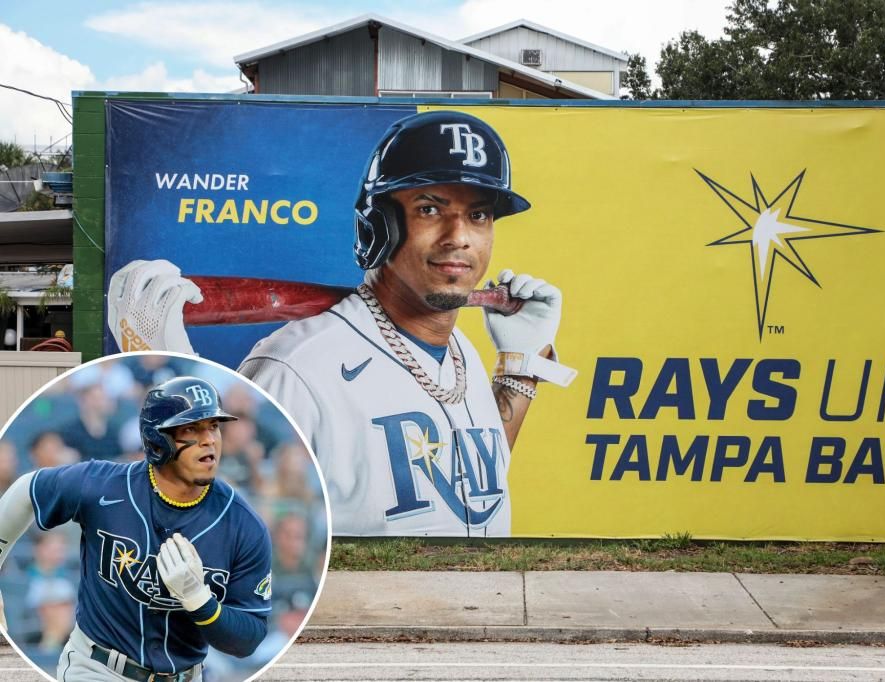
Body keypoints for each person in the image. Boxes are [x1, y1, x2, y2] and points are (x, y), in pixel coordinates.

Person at [107, 110, 575, 536]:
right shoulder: (299, 370)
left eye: (478, 215)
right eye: (430, 209)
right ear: (378, 226)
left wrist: (519, 370)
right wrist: (169, 380)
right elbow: (213, 538)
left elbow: (472, 488)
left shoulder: (462, 353)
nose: (460, 238)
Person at [0, 376, 273, 680]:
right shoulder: (104, 485)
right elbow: (28, 489)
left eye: (213, 426)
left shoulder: (243, 524)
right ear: (158, 440)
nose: (209, 439)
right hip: (98, 667)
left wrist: (199, 600)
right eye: (191, 429)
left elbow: (248, 638)